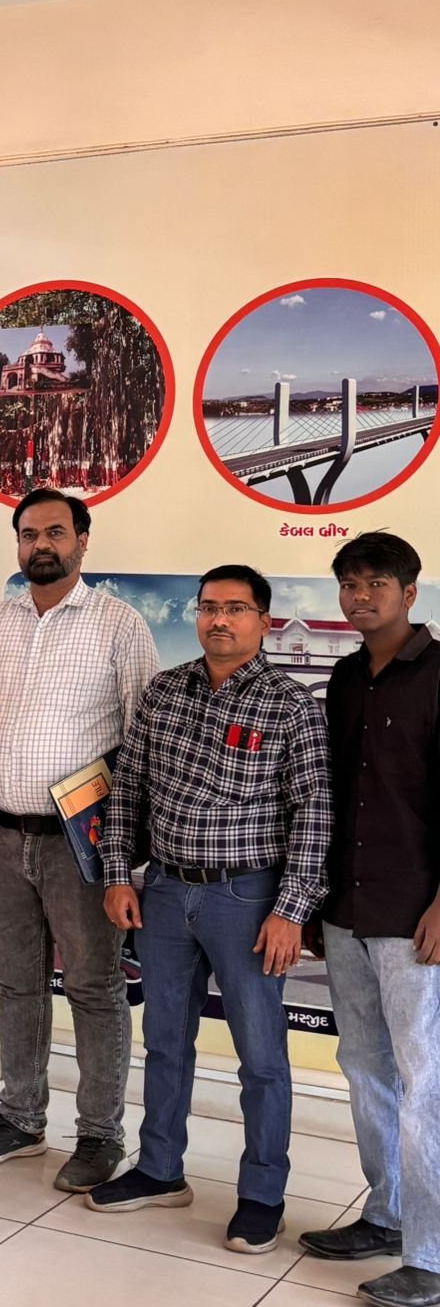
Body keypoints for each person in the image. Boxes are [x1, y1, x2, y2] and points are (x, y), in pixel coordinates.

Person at [88, 564, 331, 1255]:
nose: (219, 619)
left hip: (247, 898)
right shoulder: (165, 691)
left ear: (263, 621)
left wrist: (291, 910)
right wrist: (118, 875)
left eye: (236, 608)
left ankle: (262, 1195)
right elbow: (128, 790)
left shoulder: (291, 705)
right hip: (165, 892)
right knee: (165, 1040)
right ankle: (160, 1169)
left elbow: (314, 813)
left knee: (261, 1055)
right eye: (208, 607)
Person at [0, 488, 159, 1192]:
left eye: (56, 533)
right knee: (17, 986)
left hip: (83, 846)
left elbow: (141, 742)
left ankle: (100, 1135)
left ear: (82, 540)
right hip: (2, 836)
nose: (41, 545)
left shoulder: (119, 625)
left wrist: (124, 850)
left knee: (95, 988)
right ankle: (20, 1118)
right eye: (29, 533)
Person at [298, 532, 440, 1307]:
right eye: (349, 584)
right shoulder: (347, 677)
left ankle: (432, 1254)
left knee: (426, 1081)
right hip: (348, 906)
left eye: (375, 584)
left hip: (416, 912)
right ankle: (385, 1215)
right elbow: (334, 796)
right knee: (364, 1067)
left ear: (409, 593)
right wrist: (317, 902)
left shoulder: (439, 674)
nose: (360, 597)